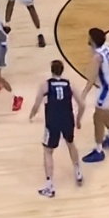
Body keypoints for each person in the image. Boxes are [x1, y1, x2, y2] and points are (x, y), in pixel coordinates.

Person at [27, 59, 85, 197]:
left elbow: (37, 104)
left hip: (52, 122)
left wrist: (32, 115)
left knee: (48, 151)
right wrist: (78, 120)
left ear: (51, 70)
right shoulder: (69, 84)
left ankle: (49, 185)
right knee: (71, 144)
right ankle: (78, 171)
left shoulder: (45, 85)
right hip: (68, 120)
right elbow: (82, 105)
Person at [80, 28, 109, 163]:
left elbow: (91, 79)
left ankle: (99, 151)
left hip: (107, 88)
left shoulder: (97, 57)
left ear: (92, 40)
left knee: (97, 116)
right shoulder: (108, 48)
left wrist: (83, 94)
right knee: (105, 110)